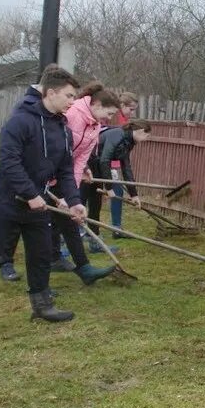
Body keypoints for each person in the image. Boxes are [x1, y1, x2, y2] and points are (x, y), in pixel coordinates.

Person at [0, 66, 87, 335]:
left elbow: (64, 171)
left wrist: (73, 201)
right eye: (69, 96)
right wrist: (30, 194)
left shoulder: (63, 129)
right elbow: (8, 163)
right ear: (51, 93)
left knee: (39, 255)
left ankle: (42, 305)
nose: (73, 102)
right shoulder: (20, 121)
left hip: (37, 207)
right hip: (6, 204)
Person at [50, 81, 120, 282]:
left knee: (69, 219)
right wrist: (63, 187)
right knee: (31, 223)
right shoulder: (73, 115)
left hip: (64, 175)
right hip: (46, 174)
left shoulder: (95, 124)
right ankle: (7, 261)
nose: (109, 118)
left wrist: (79, 177)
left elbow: (80, 157)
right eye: (108, 113)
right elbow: (58, 150)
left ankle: (83, 268)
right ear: (97, 105)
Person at [94, 119, 152, 229]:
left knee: (115, 193)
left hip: (102, 165)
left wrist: (133, 195)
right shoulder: (117, 134)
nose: (146, 140)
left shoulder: (129, 142)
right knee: (90, 199)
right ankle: (78, 232)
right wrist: (109, 187)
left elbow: (126, 168)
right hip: (90, 164)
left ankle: (115, 228)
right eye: (147, 136)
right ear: (140, 131)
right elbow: (104, 159)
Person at [107, 92, 138, 238]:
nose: (132, 113)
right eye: (131, 109)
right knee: (114, 193)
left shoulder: (125, 120)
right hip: (104, 162)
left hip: (115, 163)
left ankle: (116, 227)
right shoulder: (114, 118)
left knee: (117, 192)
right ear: (122, 105)